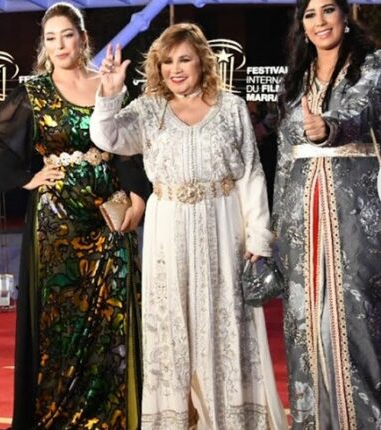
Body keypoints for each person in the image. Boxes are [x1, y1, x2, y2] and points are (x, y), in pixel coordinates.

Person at [89, 23, 287, 429]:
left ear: (202, 62)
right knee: (172, 326)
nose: (175, 69)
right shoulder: (148, 109)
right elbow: (107, 137)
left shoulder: (231, 107)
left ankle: (230, 419)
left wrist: (258, 237)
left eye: (184, 59)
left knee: (225, 323)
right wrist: (109, 95)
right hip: (168, 230)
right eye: (167, 62)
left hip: (223, 225)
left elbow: (250, 174)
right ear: (157, 68)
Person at [0, 3, 148, 429]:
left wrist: (137, 198)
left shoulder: (109, 83)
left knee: (114, 316)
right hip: (56, 223)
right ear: (44, 44)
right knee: (59, 322)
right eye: (50, 38)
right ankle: (59, 416)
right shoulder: (34, 91)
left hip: (109, 217)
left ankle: (112, 417)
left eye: (67, 35)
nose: (59, 45)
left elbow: (132, 147)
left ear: (82, 38)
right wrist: (26, 178)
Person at [273, 0, 381, 427]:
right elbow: (284, 159)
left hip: (354, 218)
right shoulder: (296, 80)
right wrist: (276, 229)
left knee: (355, 325)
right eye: (310, 14)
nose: (319, 21)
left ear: (345, 17)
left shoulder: (372, 67)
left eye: (328, 10)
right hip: (301, 219)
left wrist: (328, 128)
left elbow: (359, 112)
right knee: (307, 330)